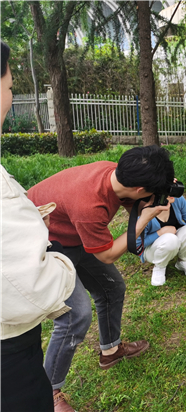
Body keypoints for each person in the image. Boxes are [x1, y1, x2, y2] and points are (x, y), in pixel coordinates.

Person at [27, 145, 173, 411]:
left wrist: (152, 198)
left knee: (111, 288)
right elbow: (107, 255)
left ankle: (110, 351)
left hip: (74, 233)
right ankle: (48, 391)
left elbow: (130, 202)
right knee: (75, 316)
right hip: (45, 243)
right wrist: (145, 218)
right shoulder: (89, 204)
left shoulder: (114, 172)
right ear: (140, 189)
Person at [1, 41, 77, 412]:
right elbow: (36, 286)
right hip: (10, 355)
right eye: (10, 87)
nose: (10, 98)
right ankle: (55, 388)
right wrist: (54, 253)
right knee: (78, 313)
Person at [140, 193, 186, 286]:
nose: (173, 192)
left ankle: (183, 261)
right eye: (168, 189)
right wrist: (160, 233)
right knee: (170, 239)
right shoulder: (144, 208)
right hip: (152, 250)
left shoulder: (177, 199)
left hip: (173, 241)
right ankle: (159, 267)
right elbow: (137, 244)